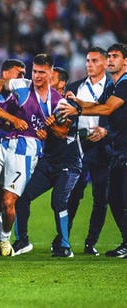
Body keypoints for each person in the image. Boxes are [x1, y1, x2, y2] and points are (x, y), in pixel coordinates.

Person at [0, 54, 64, 256]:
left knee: (8, 202)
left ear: (51, 73)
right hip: (6, 144)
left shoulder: (58, 101)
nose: (36, 76)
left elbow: (63, 132)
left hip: (27, 151)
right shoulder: (22, 85)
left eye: (41, 72)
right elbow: (0, 83)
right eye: (34, 71)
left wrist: (51, 130)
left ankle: (5, 240)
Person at [60, 43, 127, 258]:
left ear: (125, 61)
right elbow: (97, 103)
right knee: (115, 197)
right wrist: (78, 104)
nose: (110, 60)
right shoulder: (113, 87)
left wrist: (78, 109)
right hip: (116, 149)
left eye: (115, 56)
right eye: (109, 56)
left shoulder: (124, 84)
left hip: (120, 149)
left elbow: (107, 109)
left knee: (116, 198)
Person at [13, 68, 81, 258]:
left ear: (62, 85)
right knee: (22, 196)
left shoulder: (68, 106)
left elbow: (62, 133)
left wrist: (50, 128)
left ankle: (64, 246)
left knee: (58, 200)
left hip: (69, 164)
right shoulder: (41, 104)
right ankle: (22, 241)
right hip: (48, 162)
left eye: (51, 81)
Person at [65, 47, 111, 256]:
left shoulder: (113, 88)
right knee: (73, 195)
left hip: (103, 150)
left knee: (100, 198)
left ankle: (90, 243)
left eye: (94, 61)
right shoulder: (74, 88)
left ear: (104, 63)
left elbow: (119, 118)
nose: (89, 64)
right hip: (79, 147)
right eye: (87, 61)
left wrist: (106, 130)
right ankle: (63, 240)